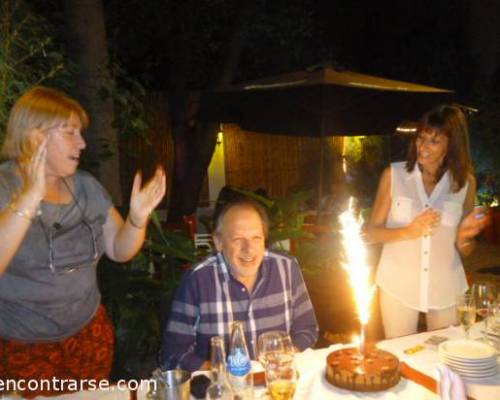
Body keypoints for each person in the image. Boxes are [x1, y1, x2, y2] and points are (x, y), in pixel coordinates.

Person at [0, 86, 166, 396]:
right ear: (36, 136)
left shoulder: (87, 187)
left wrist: (137, 218)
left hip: (88, 335)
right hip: (23, 345)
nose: (82, 143)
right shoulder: (4, 187)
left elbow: (119, 250)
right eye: (70, 133)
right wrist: (30, 196)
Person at [365, 105, 489, 339]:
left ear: (451, 145)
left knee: (445, 356)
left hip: (446, 286)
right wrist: (408, 231)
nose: (422, 147)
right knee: (401, 357)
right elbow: (371, 232)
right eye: (421, 138)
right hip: (398, 285)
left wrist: (465, 238)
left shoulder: (465, 184)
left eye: (434, 141)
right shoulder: (394, 175)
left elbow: (465, 251)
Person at [161, 199, 318, 371]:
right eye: (237, 239)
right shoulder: (197, 279)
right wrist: (221, 372)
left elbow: (307, 330)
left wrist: (283, 360)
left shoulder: (287, 268)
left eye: (256, 238)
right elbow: (173, 354)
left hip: (277, 382)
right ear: (218, 242)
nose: (249, 249)